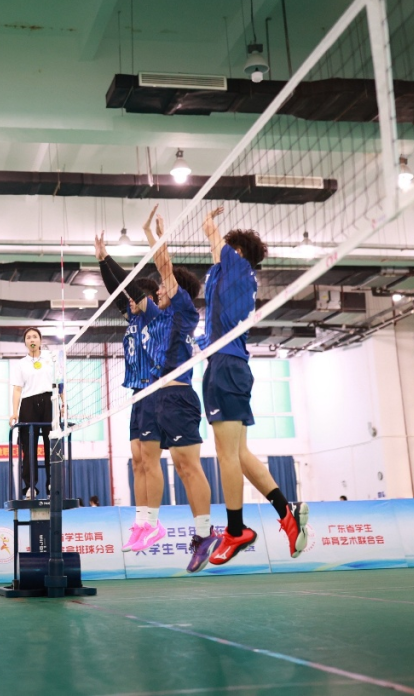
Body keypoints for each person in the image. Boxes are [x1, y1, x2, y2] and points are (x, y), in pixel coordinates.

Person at [200, 208, 308, 567]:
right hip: (224, 365)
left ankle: (236, 530)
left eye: (226, 248)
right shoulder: (228, 277)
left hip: (227, 369)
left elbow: (215, 242)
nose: (218, 252)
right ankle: (287, 512)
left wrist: (210, 226)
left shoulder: (236, 266)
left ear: (237, 251)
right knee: (241, 454)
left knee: (226, 455)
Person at [138, 209, 217, 573]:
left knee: (188, 467)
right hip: (156, 400)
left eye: (163, 287)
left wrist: (155, 237)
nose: (158, 290)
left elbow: (165, 267)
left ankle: (205, 534)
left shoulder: (184, 310)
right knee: (162, 464)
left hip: (179, 396)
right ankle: (149, 525)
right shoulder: (159, 318)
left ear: (176, 291)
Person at [94, 220, 170, 552]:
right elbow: (117, 291)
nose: (130, 301)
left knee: (150, 460)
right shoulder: (133, 317)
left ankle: (154, 523)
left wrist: (108, 257)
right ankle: (141, 523)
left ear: (147, 298)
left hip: (155, 392)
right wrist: (101, 261)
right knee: (137, 460)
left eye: (135, 297)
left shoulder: (155, 316)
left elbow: (127, 285)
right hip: (138, 394)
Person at [10, 328, 59, 499]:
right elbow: (17, 389)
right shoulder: (20, 364)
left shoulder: (50, 358)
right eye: (28, 337)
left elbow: (59, 383)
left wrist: (63, 404)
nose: (32, 339)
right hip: (28, 404)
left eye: (35, 337)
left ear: (40, 340)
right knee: (29, 447)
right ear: (25, 342)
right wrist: (14, 412)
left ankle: (52, 484)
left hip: (49, 402)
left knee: (51, 445)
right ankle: (30, 486)